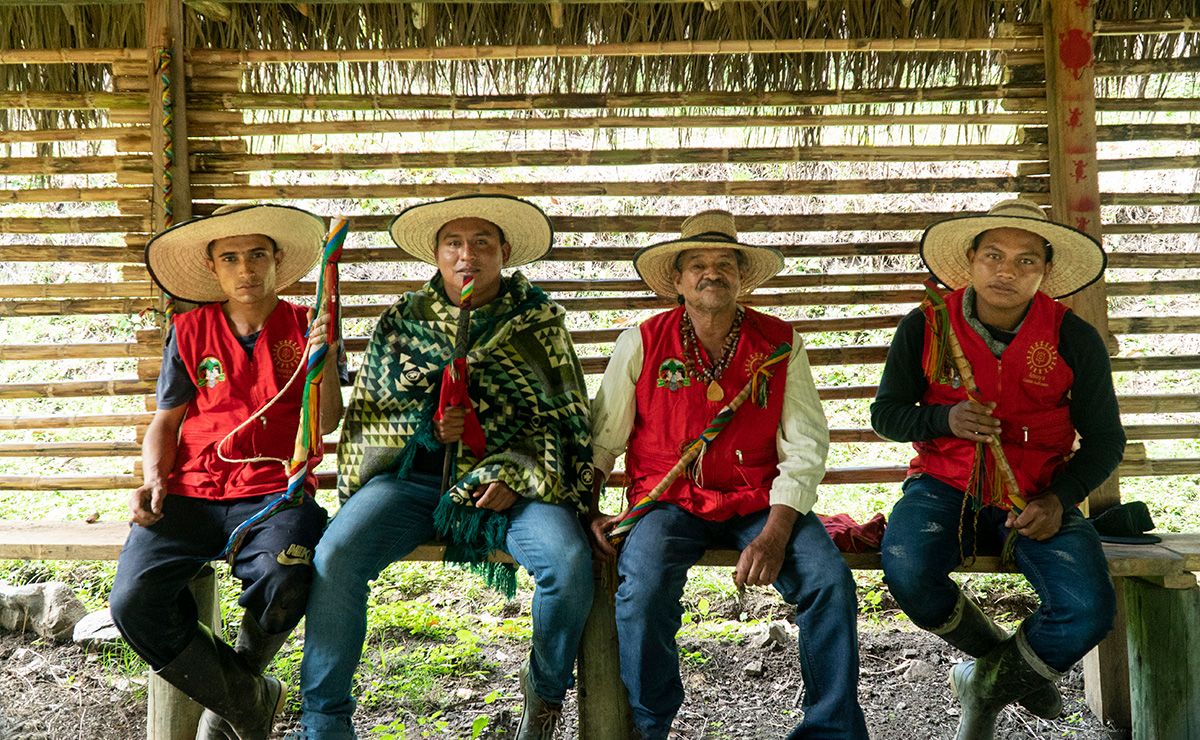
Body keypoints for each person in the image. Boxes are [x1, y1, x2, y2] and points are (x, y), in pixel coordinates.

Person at [291, 194, 595, 740]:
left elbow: (562, 423)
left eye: (482, 242)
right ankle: (324, 721)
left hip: (512, 492)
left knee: (568, 564)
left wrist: (513, 472)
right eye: (454, 243)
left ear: (504, 252)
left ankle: (545, 696)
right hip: (414, 485)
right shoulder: (403, 324)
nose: (467, 255)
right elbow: (373, 417)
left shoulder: (538, 325)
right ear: (436, 254)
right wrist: (429, 429)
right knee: (336, 555)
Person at [588, 210, 869, 739]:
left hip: (759, 500)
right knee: (642, 589)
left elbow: (805, 446)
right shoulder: (643, 341)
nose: (710, 273)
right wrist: (589, 510)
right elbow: (603, 439)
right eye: (697, 264)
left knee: (828, 581)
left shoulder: (780, 343)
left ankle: (832, 732)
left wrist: (776, 533)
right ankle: (650, 726)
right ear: (677, 279)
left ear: (741, 277)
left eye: (723, 264)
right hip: (667, 500)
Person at [872, 198, 1125, 737]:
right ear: (970, 259)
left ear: (1047, 271)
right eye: (993, 255)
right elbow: (886, 415)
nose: (1006, 270)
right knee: (908, 571)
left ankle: (984, 686)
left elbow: (1106, 441)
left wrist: (1059, 499)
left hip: (1038, 495)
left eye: (1026, 260)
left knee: (1088, 610)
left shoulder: (1073, 336)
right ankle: (1009, 668)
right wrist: (945, 419)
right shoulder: (925, 326)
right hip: (944, 484)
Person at [110, 204, 343, 740]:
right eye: (231, 258)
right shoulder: (190, 331)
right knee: (133, 602)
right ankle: (246, 698)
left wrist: (323, 357)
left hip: (275, 491)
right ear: (214, 268)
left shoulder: (308, 325)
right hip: (191, 491)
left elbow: (326, 421)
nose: (246, 270)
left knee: (288, 574)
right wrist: (152, 477)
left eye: (258, 255)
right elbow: (165, 422)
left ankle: (234, 694)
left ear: (278, 261)